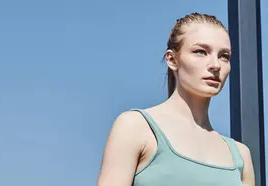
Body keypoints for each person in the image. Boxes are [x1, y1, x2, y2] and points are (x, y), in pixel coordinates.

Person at [96, 12, 256, 186]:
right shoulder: (135, 127)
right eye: (201, 52)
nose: (216, 65)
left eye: (224, 56)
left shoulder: (241, 156)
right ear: (172, 59)